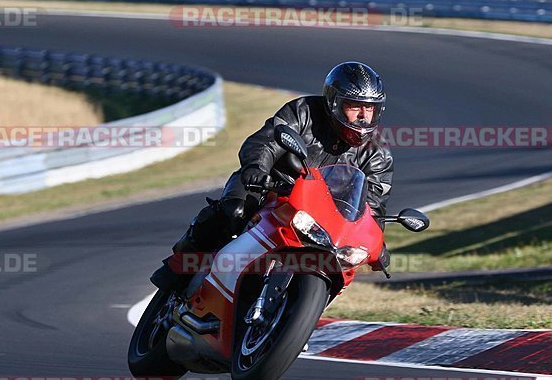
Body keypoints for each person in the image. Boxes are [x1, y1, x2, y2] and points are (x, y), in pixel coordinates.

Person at [152, 61, 394, 290]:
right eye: (354, 107)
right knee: (234, 211)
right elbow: (265, 141)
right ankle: (182, 264)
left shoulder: (377, 155)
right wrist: (256, 168)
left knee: (342, 262)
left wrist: (374, 242)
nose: (363, 116)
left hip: (320, 217)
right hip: (271, 186)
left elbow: (372, 206)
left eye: (369, 108)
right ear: (334, 103)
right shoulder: (304, 112)